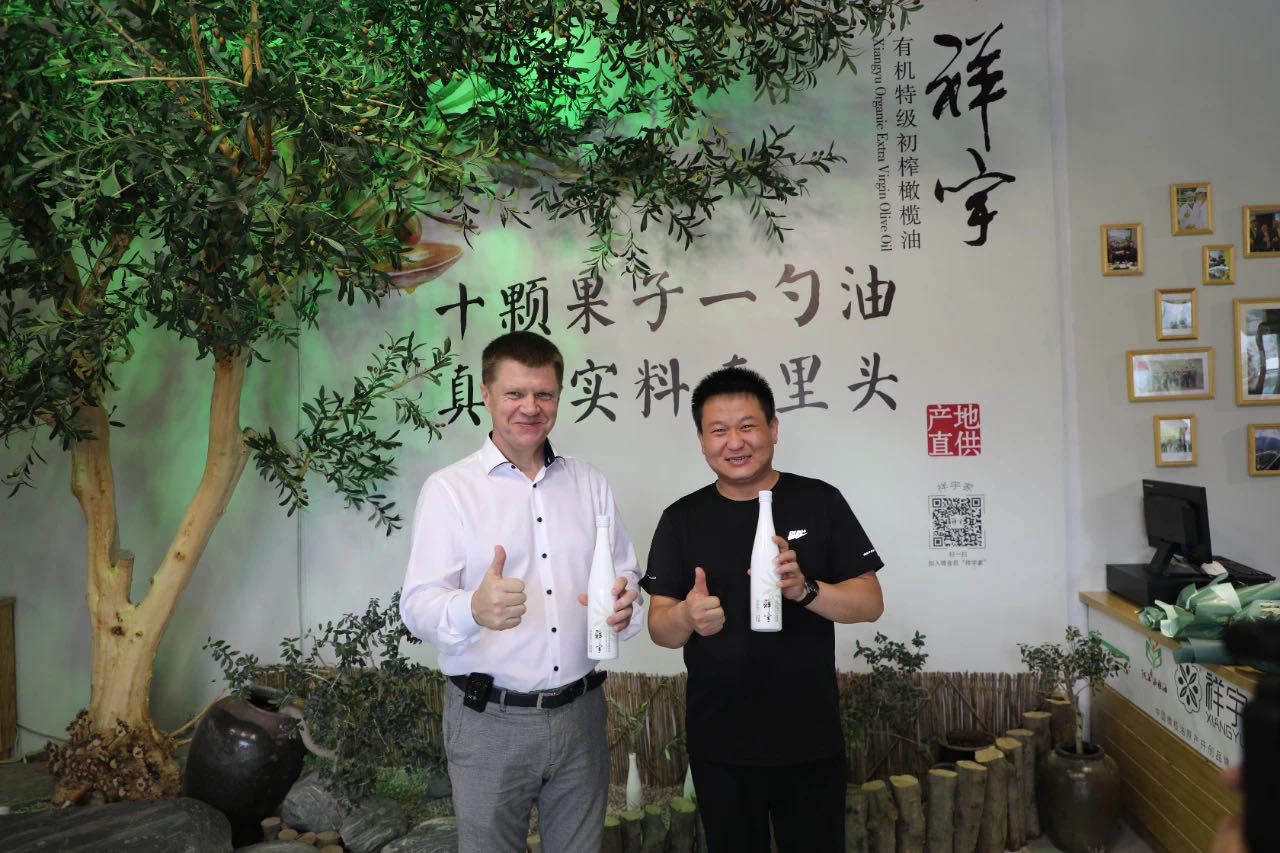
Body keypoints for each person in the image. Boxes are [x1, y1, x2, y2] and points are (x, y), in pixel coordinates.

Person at [400, 331, 643, 852]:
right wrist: (471, 608)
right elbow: (417, 605)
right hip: (489, 719)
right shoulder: (450, 490)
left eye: (544, 394)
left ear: (558, 396)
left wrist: (627, 607)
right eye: (515, 393)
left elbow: (628, 579)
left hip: (581, 715)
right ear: (486, 395)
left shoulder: (589, 483)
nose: (530, 408)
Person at [642, 366, 885, 852]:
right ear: (702, 440)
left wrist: (806, 591)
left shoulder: (819, 501)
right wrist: (687, 617)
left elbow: (870, 602)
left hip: (810, 736)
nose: (735, 442)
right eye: (719, 430)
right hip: (720, 742)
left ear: (773, 429)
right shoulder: (681, 518)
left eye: (748, 426)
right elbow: (659, 629)